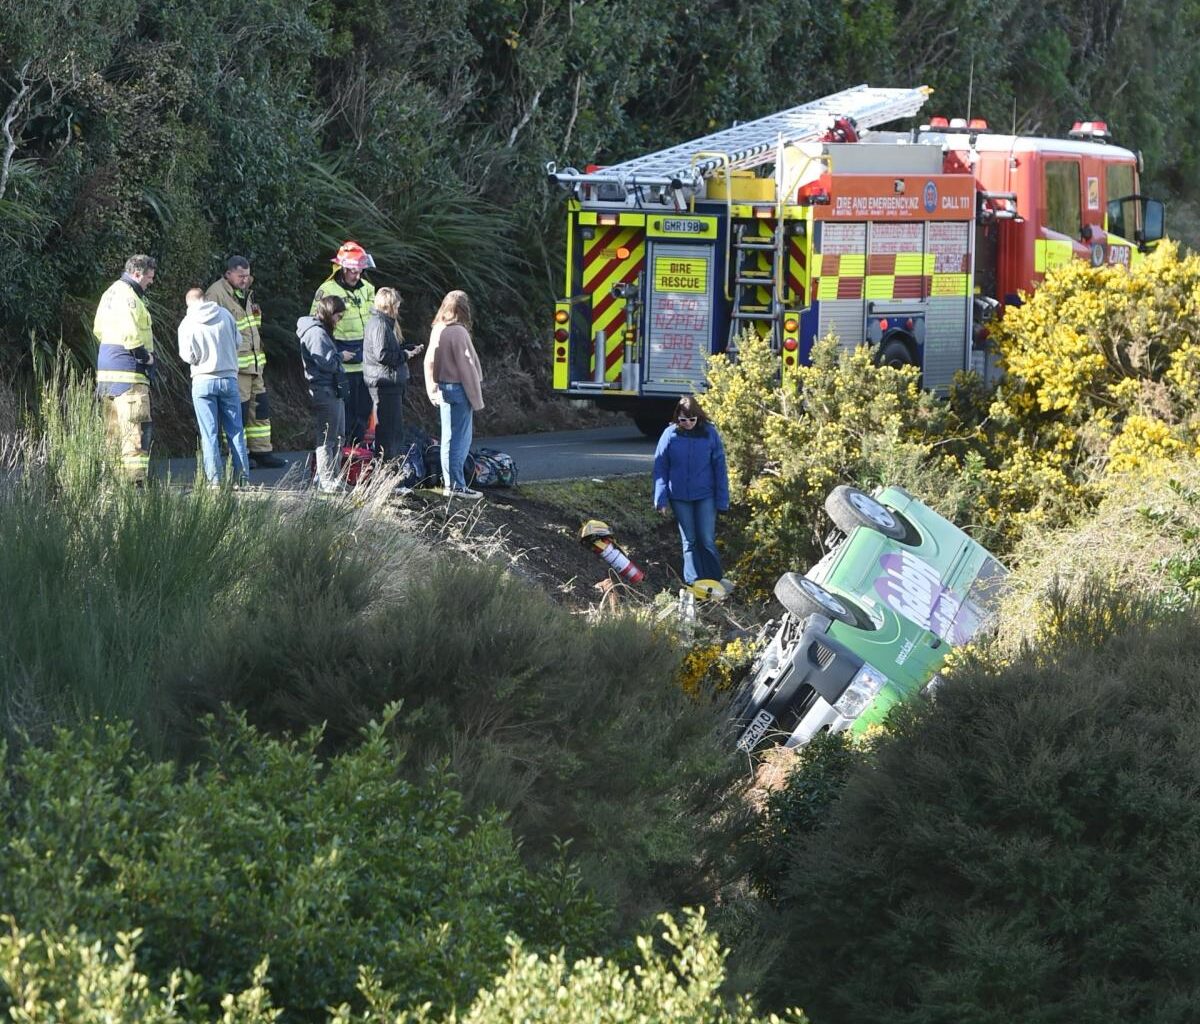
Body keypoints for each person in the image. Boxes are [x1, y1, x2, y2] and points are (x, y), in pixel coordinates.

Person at [205, 255, 285, 469]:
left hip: (255, 365)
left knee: (260, 410)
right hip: (235, 367)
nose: (245, 279)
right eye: (240, 276)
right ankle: (237, 454)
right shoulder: (215, 294)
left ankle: (262, 451)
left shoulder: (245, 293)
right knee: (236, 413)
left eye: (247, 275)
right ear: (228, 273)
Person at [652, 395, 732, 589]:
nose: (687, 423)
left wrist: (722, 499)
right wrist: (660, 499)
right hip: (679, 497)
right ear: (677, 417)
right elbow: (660, 467)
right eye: (683, 419)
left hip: (706, 495)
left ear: (698, 417)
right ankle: (693, 582)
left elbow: (720, 467)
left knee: (706, 539)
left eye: (692, 419)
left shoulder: (710, 433)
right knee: (689, 540)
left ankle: (715, 580)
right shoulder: (669, 434)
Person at [94, 254, 157, 484]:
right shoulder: (129, 296)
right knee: (134, 429)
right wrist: (146, 358)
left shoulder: (109, 292)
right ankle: (135, 481)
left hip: (107, 373)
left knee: (112, 431)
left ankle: (112, 479)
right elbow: (131, 334)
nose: (151, 282)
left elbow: (97, 330)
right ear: (137, 274)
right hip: (129, 373)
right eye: (149, 277)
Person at [177, 287, 250, 487]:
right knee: (236, 430)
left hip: (202, 381)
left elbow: (187, 356)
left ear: (189, 303)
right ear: (205, 298)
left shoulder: (187, 322)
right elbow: (238, 341)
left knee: (209, 434)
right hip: (229, 379)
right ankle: (243, 480)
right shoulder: (225, 314)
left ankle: (215, 481)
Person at [311, 241, 375, 447]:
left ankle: (357, 455)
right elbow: (317, 327)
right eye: (353, 271)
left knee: (362, 413)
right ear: (342, 268)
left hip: (365, 364)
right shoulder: (327, 290)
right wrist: (334, 354)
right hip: (341, 365)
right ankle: (341, 456)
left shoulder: (368, 289)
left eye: (360, 270)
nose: (357, 275)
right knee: (343, 417)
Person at [423, 290, 484, 499]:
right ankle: (457, 485)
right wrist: (476, 398)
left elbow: (430, 361)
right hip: (459, 389)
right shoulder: (459, 332)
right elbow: (468, 367)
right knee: (461, 439)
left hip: (444, 388)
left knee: (447, 438)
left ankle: (450, 484)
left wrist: (432, 387)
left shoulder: (439, 329)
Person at [297, 295, 351, 494]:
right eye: (338, 316)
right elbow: (326, 362)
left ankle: (335, 478)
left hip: (332, 389)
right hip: (324, 389)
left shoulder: (320, 331)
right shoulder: (316, 333)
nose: (339, 320)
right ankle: (326, 480)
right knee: (327, 437)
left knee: (338, 436)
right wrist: (341, 357)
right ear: (330, 313)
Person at [363, 287, 423, 464]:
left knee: (391, 431)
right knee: (390, 433)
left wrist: (405, 349)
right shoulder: (380, 324)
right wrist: (405, 355)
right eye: (395, 305)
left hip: (388, 383)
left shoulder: (382, 323)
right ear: (388, 306)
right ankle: (389, 470)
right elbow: (382, 355)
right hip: (385, 384)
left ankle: (388, 468)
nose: (397, 308)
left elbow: (386, 350)